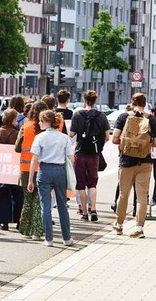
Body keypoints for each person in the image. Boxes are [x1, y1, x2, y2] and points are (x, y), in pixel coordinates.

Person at [111, 93, 156, 238]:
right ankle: (139, 228)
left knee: (124, 194)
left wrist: (127, 144)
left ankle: (119, 225)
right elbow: (154, 142)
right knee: (142, 196)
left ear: (132, 102)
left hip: (126, 162)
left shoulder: (124, 117)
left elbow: (115, 139)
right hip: (145, 162)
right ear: (145, 103)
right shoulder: (151, 119)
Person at [27, 110, 74, 247]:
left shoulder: (40, 137)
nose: (39, 123)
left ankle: (49, 239)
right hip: (60, 170)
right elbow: (71, 158)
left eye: (41, 120)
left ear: (47, 121)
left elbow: (34, 159)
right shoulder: (64, 137)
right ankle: (67, 238)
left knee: (45, 206)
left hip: (44, 170)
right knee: (62, 205)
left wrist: (30, 179)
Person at [69, 90, 109, 222]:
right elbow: (107, 136)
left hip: (80, 152)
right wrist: (98, 144)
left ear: (84, 100)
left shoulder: (77, 114)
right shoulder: (101, 116)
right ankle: (94, 209)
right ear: (95, 100)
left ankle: (85, 212)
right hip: (94, 154)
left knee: (80, 184)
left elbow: (72, 134)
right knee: (92, 184)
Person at [15, 101, 47, 240]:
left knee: (27, 200)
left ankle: (25, 230)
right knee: (39, 202)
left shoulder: (24, 127)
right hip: (42, 169)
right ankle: (37, 231)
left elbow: (17, 148)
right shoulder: (47, 130)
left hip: (26, 169)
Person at [0, 109, 20, 231]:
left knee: (2, 195)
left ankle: (3, 222)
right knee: (18, 195)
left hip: (1, 169)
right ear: (13, 120)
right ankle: (18, 220)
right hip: (14, 167)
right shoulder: (16, 133)